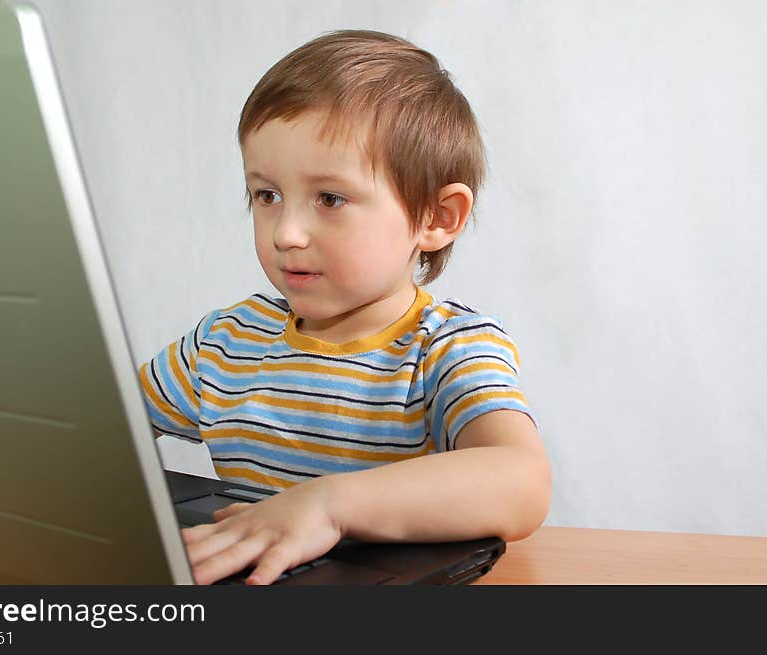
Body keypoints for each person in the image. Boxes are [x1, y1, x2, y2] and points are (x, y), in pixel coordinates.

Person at [138, 29, 551, 585]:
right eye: (267, 195)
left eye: (330, 199)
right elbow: (99, 428)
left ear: (436, 218)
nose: (286, 232)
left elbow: (521, 481)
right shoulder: (227, 340)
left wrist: (327, 506)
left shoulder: (449, 348)